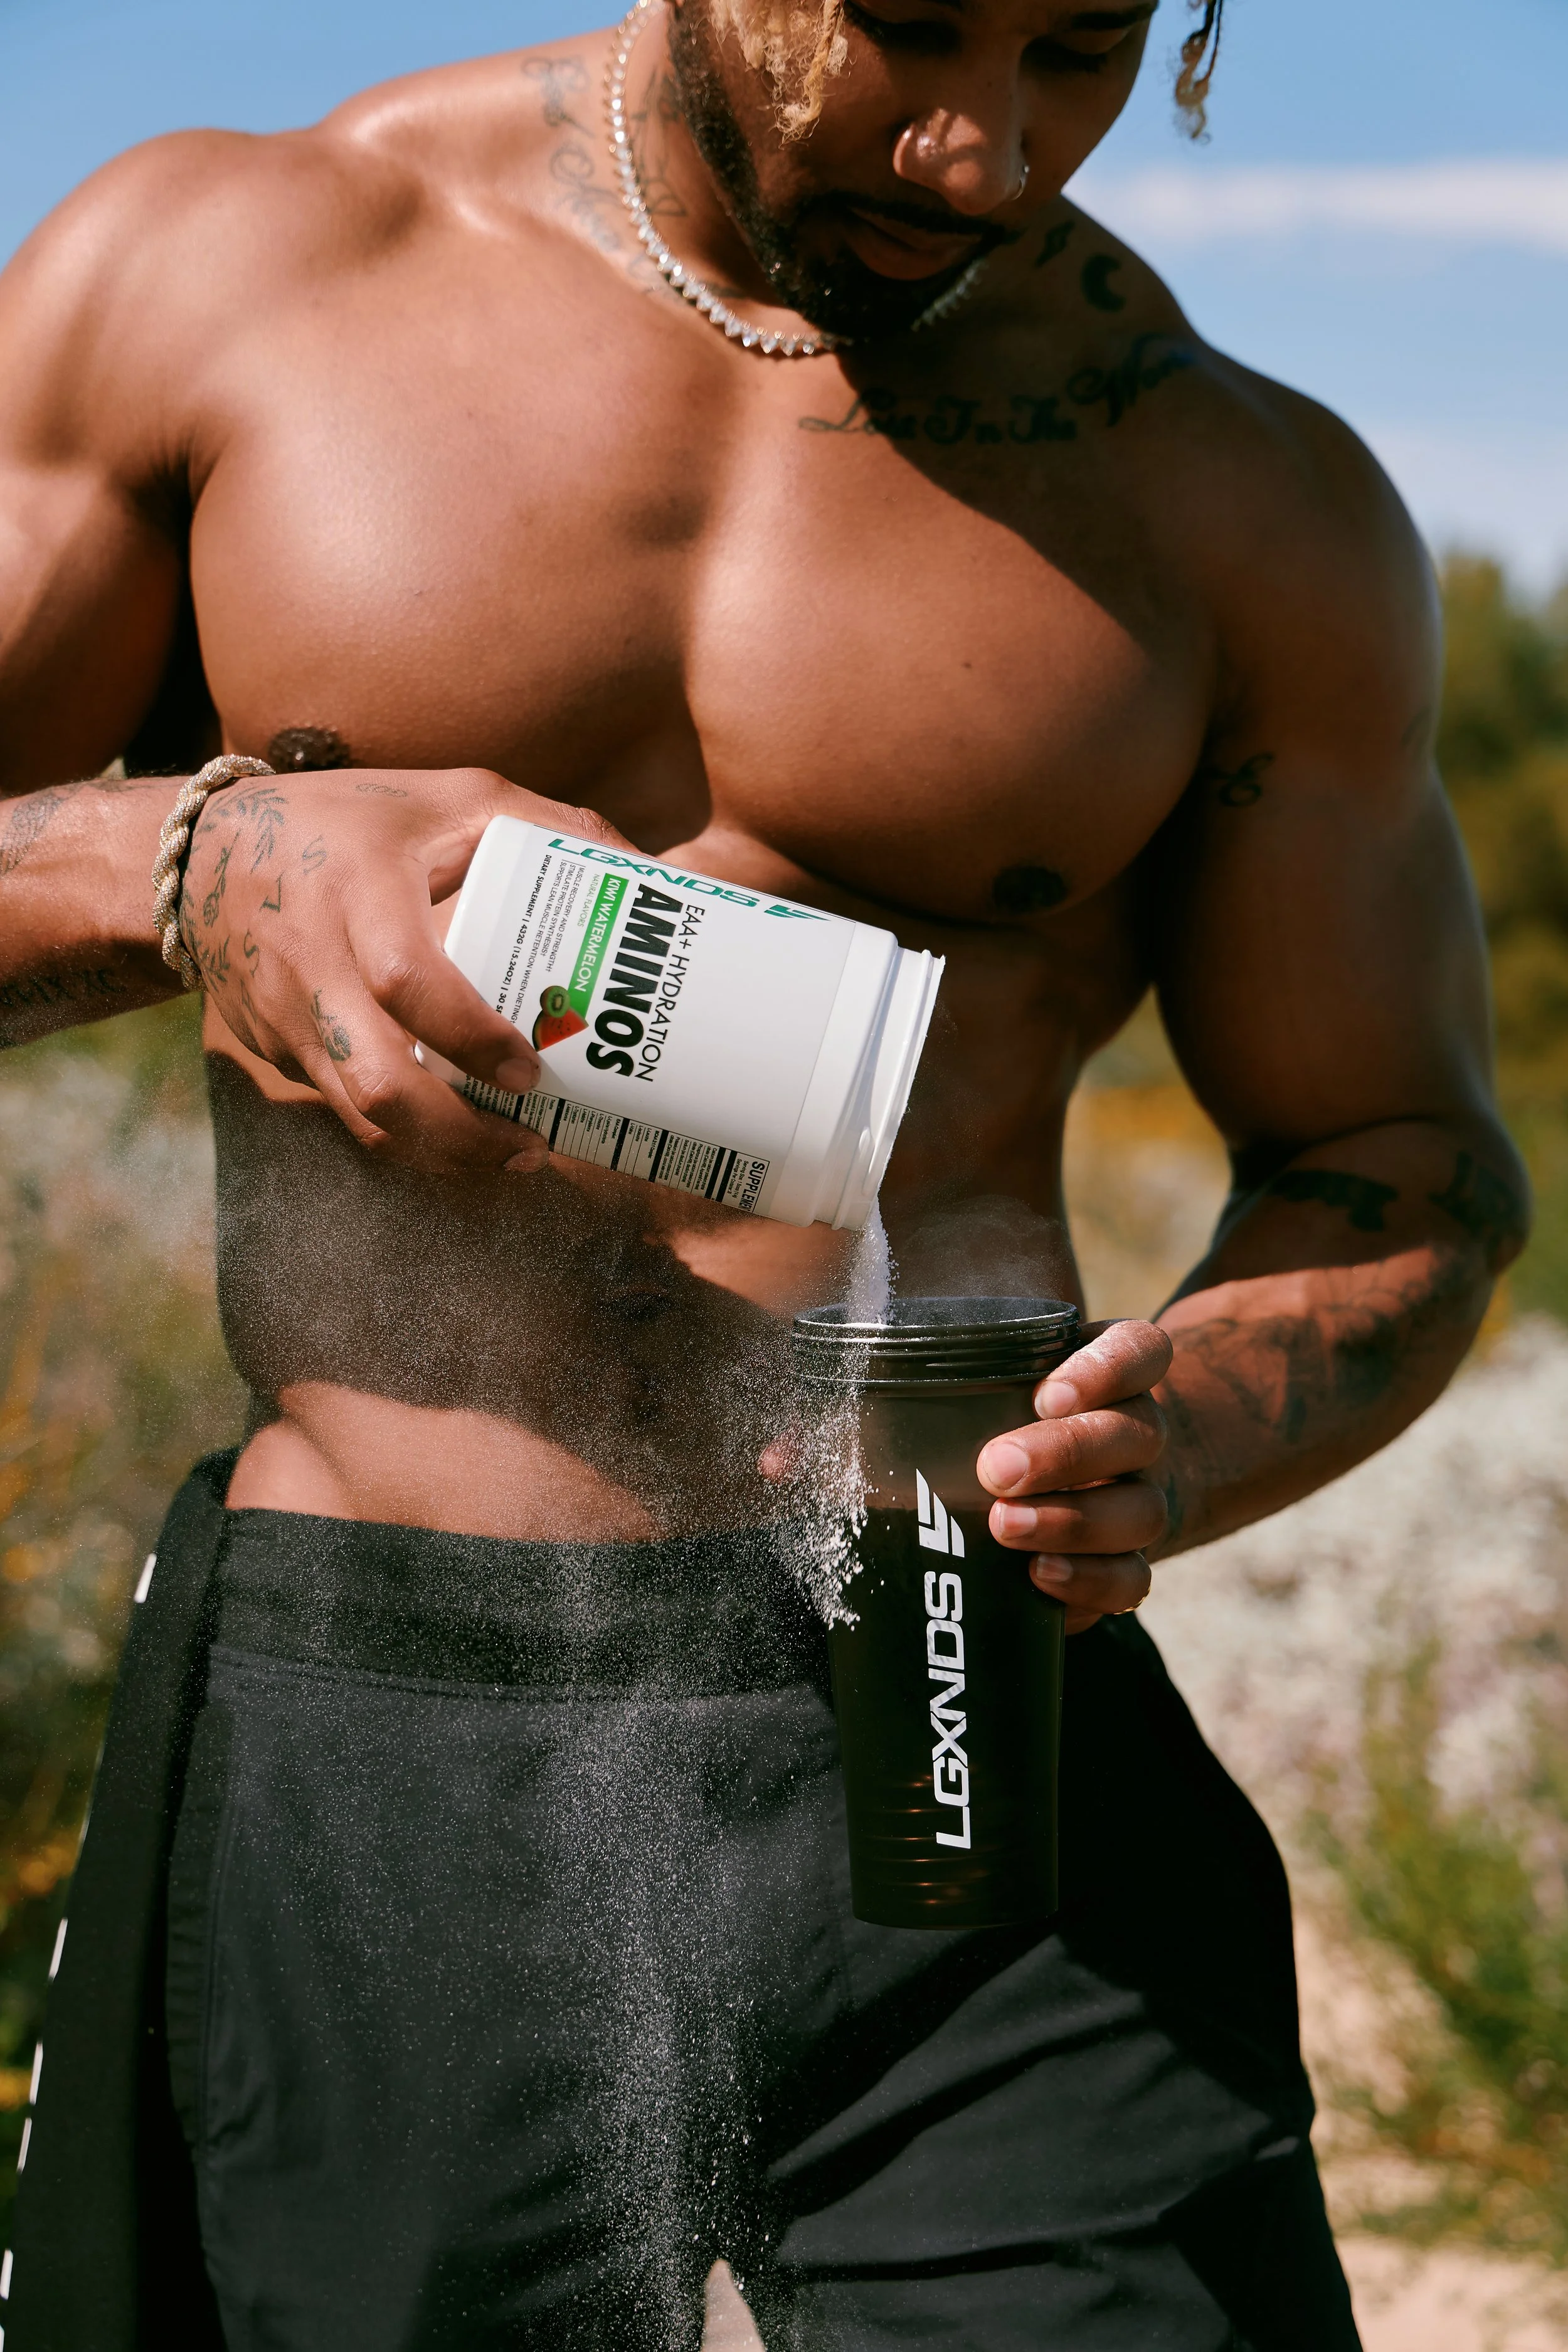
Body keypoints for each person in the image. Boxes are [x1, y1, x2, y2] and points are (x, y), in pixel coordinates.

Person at [0, 0, 1527, 2342]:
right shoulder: (223, 275)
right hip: (395, 1706)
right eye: (906, 23)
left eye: (1084, 47)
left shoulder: (1228, 488)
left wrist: (1202, 1420)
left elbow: (1399, 1156)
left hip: (961, 1697)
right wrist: (188, 860)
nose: (982, 146)